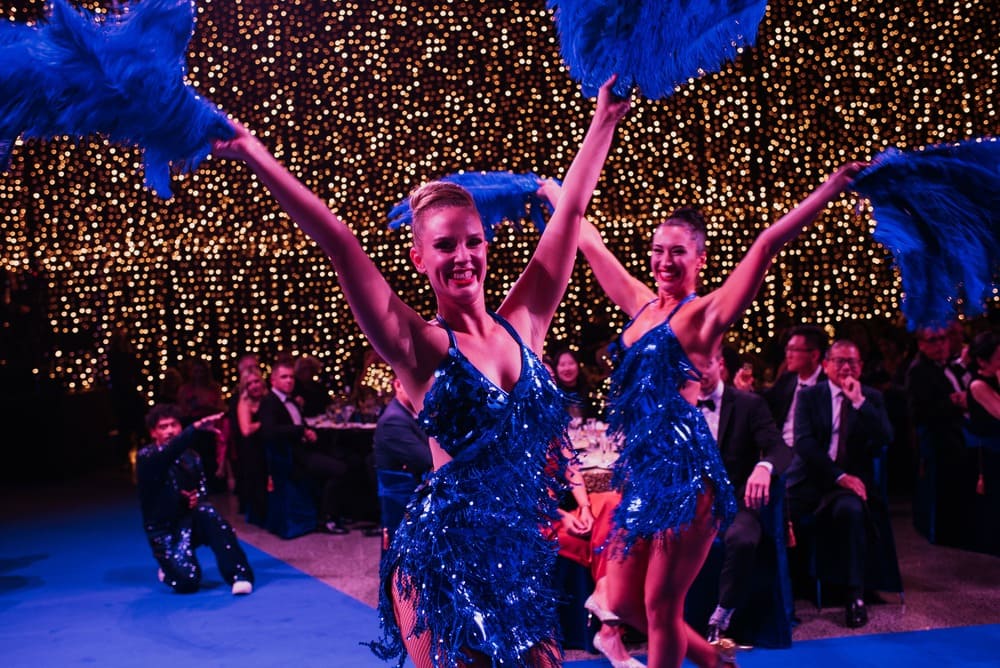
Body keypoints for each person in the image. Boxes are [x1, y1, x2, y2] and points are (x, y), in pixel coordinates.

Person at [212, 77, 629, 667]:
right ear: (419, 256)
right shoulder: (420, 346)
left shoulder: (526, 323)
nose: (462, 256)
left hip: (514, 552)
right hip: (443, 558)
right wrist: (257, 155)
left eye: (473, 241)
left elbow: (573, 213)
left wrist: (604, 118)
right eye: (444, 245)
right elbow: (337, 240)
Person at [562, 160, 866, 668]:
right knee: (623, 601)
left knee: (661, 607)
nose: (664, 261)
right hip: (641, 474)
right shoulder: (641, 305)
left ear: (700, 259)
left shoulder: (706, 314)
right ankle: (715, 662)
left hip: (687, 476)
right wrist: (552, 192)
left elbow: (767, 243)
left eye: (677, 252)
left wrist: (832, 187)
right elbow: (588, 241)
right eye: (658, 251)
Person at [785, 339, 894, 629]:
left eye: (853, 362)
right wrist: (837, 475)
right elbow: (804, 444)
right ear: (826, 365)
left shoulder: (871, 397)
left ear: (860, 367)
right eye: (840, 361)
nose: (846, 367)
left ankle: (854, 596)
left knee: (852, 513)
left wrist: (859, 403)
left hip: (850, 485)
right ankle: (783, 594)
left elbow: (886, 438)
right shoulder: (810, 396)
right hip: (814, 478)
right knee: (776, 511)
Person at [695, 350, 790, 649]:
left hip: (738, 501)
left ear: (720, 364)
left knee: (744, 539)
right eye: (692, 367)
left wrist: (764, 466)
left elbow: (781, 449)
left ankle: (721, 616)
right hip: (691, 504)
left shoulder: (749, 404)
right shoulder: (677, 406)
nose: (700, 373)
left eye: (706, 365)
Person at [135, 404, 254, 595]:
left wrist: (195, 500)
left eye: (173, 425)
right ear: (153, 433)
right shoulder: (147, 457)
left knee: (210, 514)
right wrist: (196, 428)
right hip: (165, 530)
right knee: (187, 582)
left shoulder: (192, 457)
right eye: (163, 427)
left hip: (187, 520)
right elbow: (167, 457)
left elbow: (202, 493)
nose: (169, 431)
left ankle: (239, 575)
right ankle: (170, 569)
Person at [257, 355, 353, 534]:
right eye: (284, 377)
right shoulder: (270, 402)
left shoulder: (290, 399)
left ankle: (336, 511)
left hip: (302, 450)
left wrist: (307, 430)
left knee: (346, 457)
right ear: (273, 380)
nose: (289, 381)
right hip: (290, 457)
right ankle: (327, 518)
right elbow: (269, 432)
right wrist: (300, 430)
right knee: (340, 469)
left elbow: (297, 423)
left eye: (291, 377)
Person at [372, 376, 432, 546]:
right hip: (401, 494)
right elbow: (426, 459)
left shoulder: (411, 412)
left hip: (411, 488)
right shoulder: (394, 420)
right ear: (398, 385)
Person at [763, 324, 828, 447]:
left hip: (812, 451)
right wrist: (747, 389)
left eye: (794, 350)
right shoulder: (788, 378)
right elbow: (766, 400)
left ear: (814, 355)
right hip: (782, 448)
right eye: (787, 349)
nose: (788, 355)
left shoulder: (827, 385)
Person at [552, 347, 600, 419]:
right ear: (556, 368)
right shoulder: (553, 395)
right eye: (562, 364)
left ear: (578, 365)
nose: (567, 368)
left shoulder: (591, 393)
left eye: (571, 363)